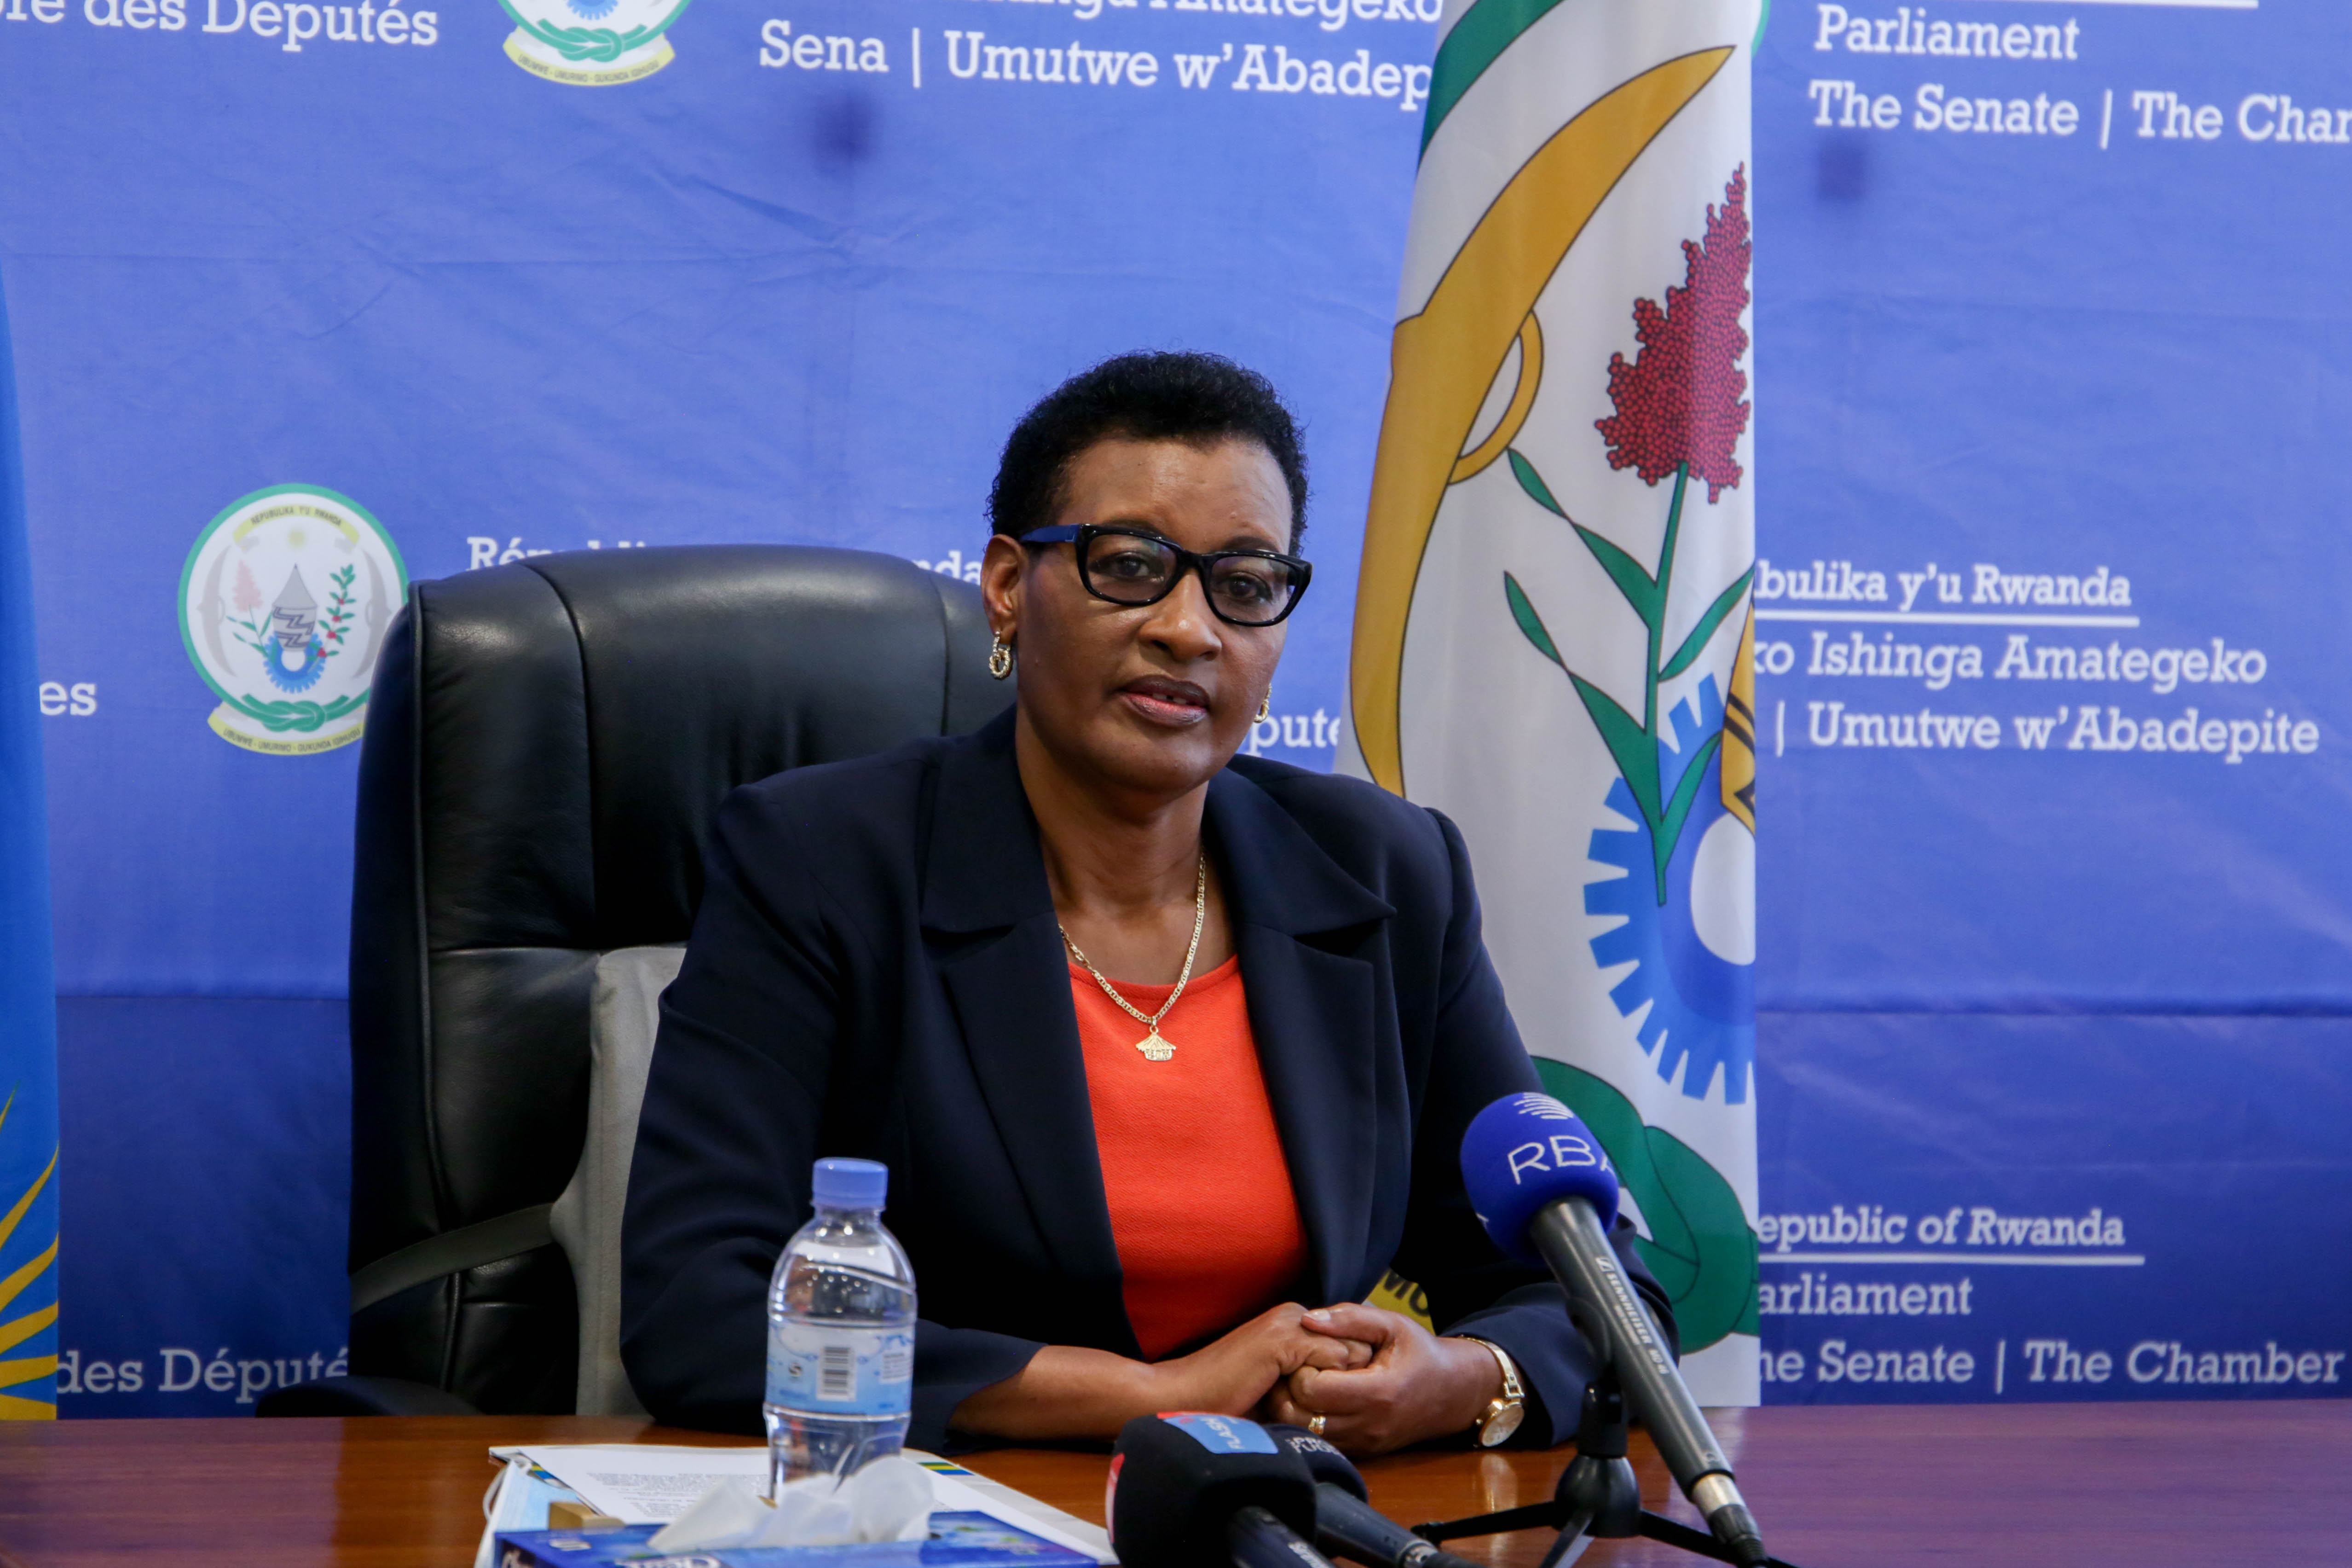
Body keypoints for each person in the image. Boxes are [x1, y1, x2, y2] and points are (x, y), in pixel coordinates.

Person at [621, 351, 1674, 1456]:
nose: (1190, 628)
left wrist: (1463, 1381)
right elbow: (698, 1313)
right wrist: (1153, 1394)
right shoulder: (822, 862)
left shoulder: (1384, 875)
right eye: (1131, 565)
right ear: (1007, 586)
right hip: (949, 1515)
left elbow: (1604, 1297)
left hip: (1274, 1518)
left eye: (1249, 583)